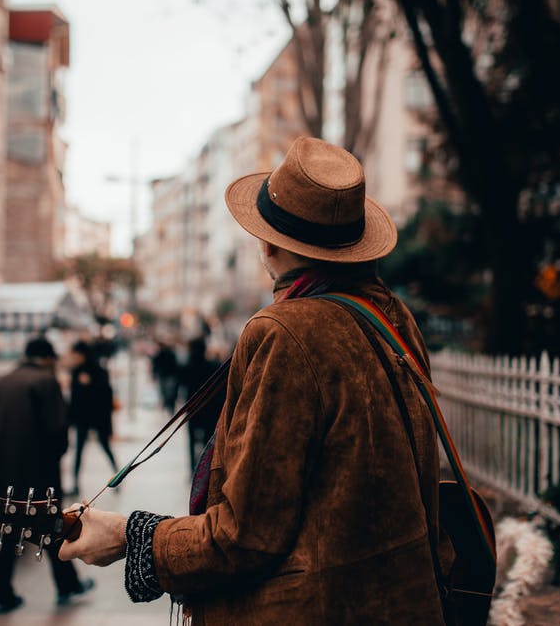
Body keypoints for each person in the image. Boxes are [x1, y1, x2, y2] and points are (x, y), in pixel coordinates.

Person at [58, 137, 450, 623]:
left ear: (266, 242)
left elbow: (245, 536)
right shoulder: (392, 317)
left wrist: (128, 536)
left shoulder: (284, 332)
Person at [0, 338, 93, 613]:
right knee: (53, 528)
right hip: (36, 473)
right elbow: (57, 431)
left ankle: (1, 594)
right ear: (46, 358)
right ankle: (68, 585)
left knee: (4, 531)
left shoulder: (2, 381)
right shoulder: (45, 382)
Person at [67, 340, 118, 495]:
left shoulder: (98, 370)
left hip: (98, 417)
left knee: (105, 447)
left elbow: (106, 395)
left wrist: (89, 384)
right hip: (82, 418)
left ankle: (118, 478)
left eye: (75, 355)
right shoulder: (76, 371)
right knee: (79, 451)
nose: (74, 358)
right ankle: (75, 483)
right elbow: (74, 397)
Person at [177, 337, 219, 471]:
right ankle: (205, 468)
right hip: (209, 409)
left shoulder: (186, 367)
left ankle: (192, 469)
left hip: (193, 410)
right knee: (208, 441)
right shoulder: (213, 366)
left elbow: (181, 384)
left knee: (191, 441)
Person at [150, 341, 180, 415]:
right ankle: (169, 406)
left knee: (165, 392)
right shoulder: (170, 354)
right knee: (169, 392)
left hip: (165, 376)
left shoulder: (161, 354)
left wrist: (154, 374)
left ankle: (167, 405)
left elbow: (155, 365)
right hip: (168, 376)